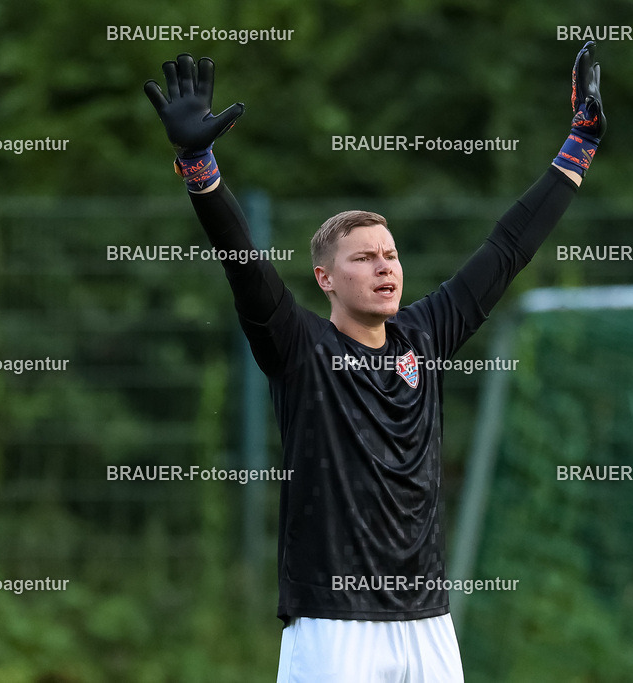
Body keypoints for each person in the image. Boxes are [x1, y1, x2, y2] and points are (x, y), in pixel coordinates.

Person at [144, 42, 605, 682]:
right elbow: (242, 264)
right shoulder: (300, 348)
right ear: (325, 278)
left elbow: (507, 248)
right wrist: (199, 165)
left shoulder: (425, 336)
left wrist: (578, 145)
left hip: (427, 624)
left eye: (390, 255)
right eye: (364, 258)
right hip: (334, 625)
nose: (385, 267)